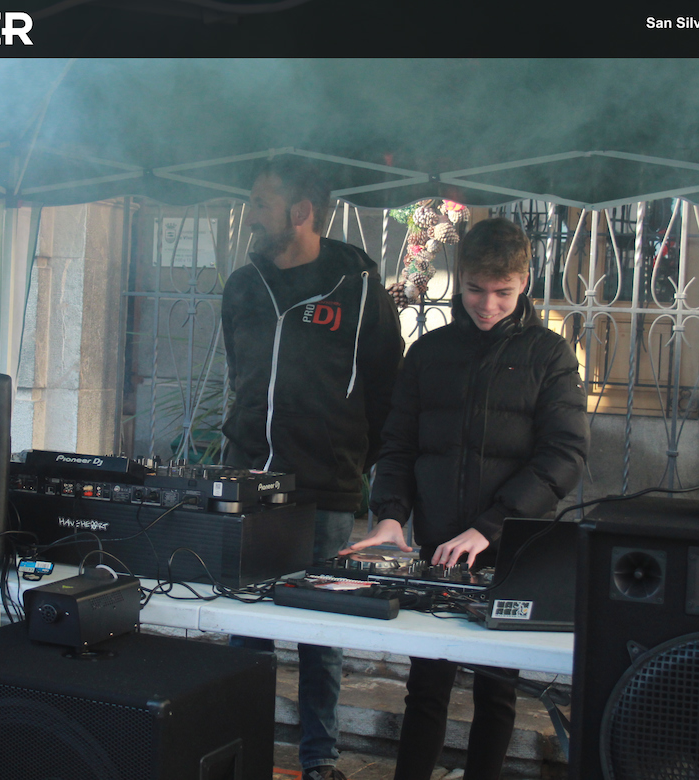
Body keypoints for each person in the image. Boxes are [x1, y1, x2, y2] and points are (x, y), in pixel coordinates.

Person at [342, 217, 589, 780]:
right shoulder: (428, 353)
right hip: (435, 548)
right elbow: (398, 445)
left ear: (525, 282)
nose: (488, 305)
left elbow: (564, 456)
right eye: (476, 289)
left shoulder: (550, 355)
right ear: (459, 279)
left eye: (503, 292)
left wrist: (490, 526)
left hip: (509, 552)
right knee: (426, 684)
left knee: (496, 691)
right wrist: (389, 516)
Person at [221, 158, 404, 780]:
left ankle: (320, 760)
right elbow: (240, 377)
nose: (249, 215)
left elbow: (386, 391)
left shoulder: (359, 289)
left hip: (326, 488)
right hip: (249, 483)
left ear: (301, 213)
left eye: (260, 202)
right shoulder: (242, 286)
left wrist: (349, 460)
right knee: (246, 624)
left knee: (321, 631)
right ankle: (241, 749)